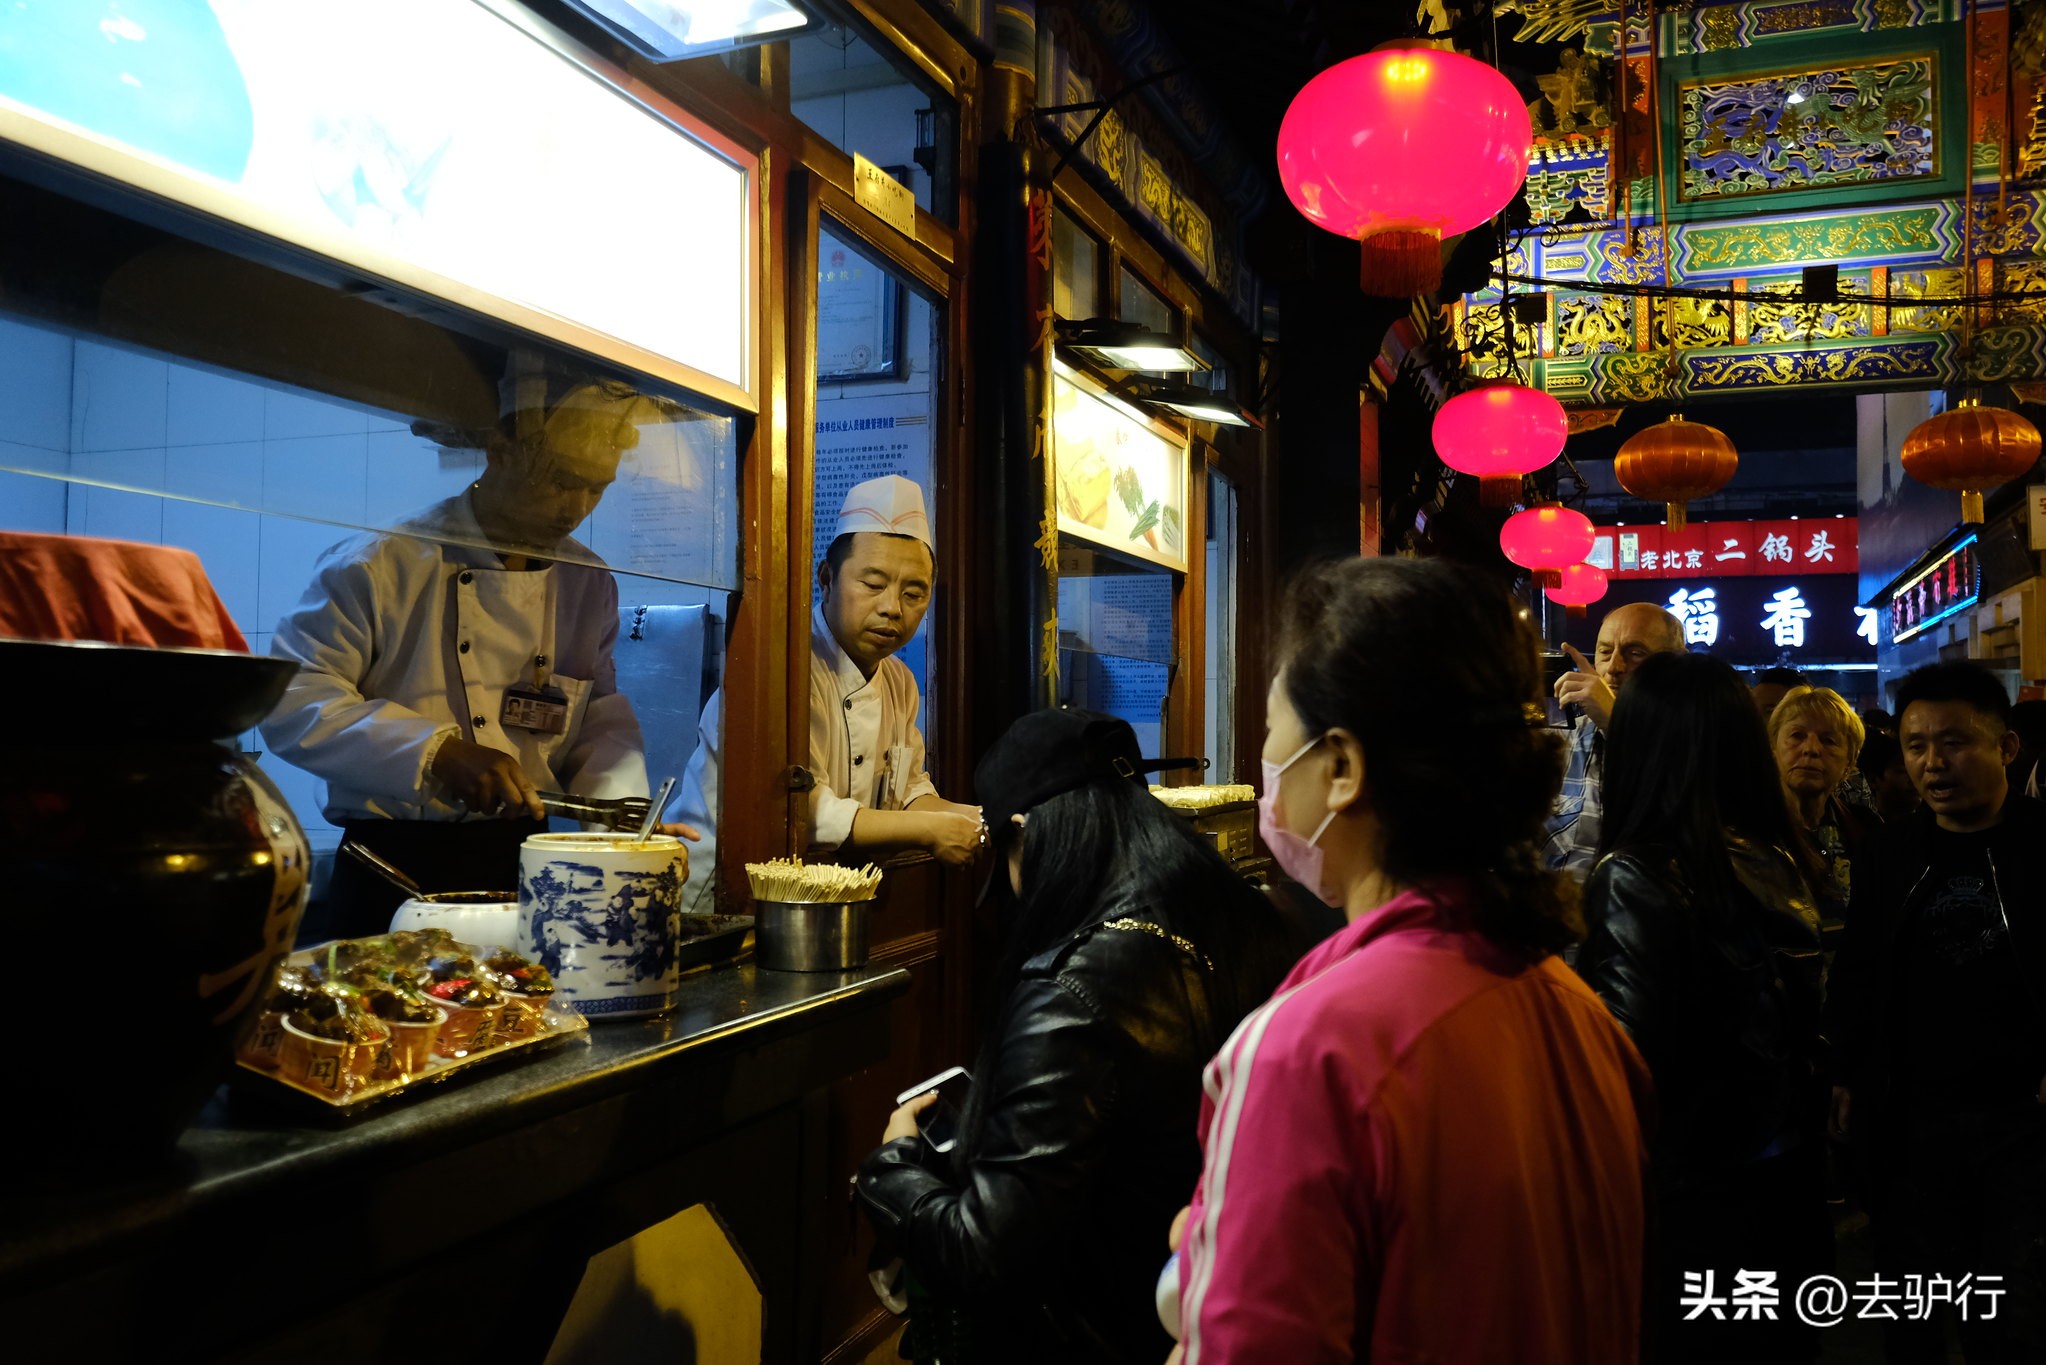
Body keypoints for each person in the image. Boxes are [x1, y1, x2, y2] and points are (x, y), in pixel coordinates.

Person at [1174, 557, 1652, 1365]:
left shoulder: (1310, 1049)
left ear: (1343, 767)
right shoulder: (1576, 1009)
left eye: (1269, 730)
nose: (1262, 763)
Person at [853, 708, 1297, 1365]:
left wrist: (891, 1169)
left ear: (1024, 834)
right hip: (1210, 1312)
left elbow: (985, 1252)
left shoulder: (1070, 992)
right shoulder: (1242, 917)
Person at [263, 379, 685, 941]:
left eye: (596, 489)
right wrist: (436, 752)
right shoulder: (381, 563)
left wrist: (621, 823)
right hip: (392, 866)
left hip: (518, 864)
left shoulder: (587, 580)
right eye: (561, 482)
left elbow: (597, 712)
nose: (577, 508)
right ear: (499, 450)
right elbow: (293, 700)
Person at [1576, 651, 1830, 1364]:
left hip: (1690, 1201)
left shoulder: (1636, 874)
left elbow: (1628, 1067)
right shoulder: (1777, 856)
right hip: (1782, 1185)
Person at [1828, 661, 2046, 1364]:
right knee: (1912, 1309)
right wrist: (1845, 1070)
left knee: (2011, 1317)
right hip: (1908, 1118)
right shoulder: (1891, 851)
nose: (1931, 762)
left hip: (2023, 1120)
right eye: (1916, 745)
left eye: (1953, 742)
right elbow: (1859, 967)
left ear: (2006, 747)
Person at [667, 476, 983, 911]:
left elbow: (908, 790)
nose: (893, 607)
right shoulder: (785, 670)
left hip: (816, 898)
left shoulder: (899, 681)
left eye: (914, 592)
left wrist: (971, 819)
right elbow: (804, 810)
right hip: (721, 895)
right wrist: (929, 831)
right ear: (827, 578)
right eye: (873, 585)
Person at [1545, 600, 1687, 876]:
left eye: (1635, 653)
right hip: (1556, 910)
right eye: (1605, 652)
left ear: (1678, 664)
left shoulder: (1694, 738)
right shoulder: (1556, 742)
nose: (1614, 667)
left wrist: (1617, 724)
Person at [1768, 684, 1871, 916]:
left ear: (1850, 762)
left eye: (1829, 740)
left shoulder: (1867, 831)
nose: (1811, 749)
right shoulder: (1747, 833)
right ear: (1773, 749)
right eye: (1797, 735)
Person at [1856, 729, 1918, 825]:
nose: (1914, 778)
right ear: (1873, 780)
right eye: (1903, 771)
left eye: (1915, 769)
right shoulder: (1860, 828)